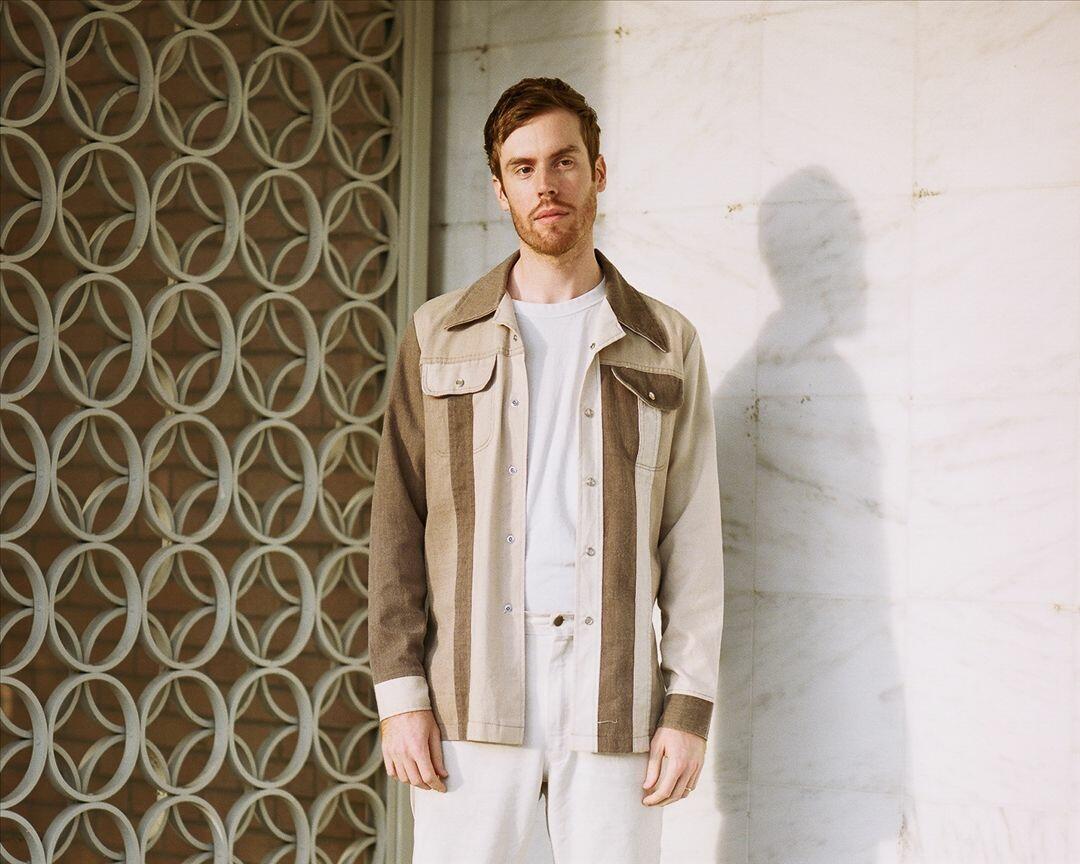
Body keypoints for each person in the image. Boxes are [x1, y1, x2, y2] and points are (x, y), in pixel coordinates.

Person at [368, 76, 725, 863]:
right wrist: (400, 695)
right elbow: (396, 527)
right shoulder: (437, 334)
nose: (545, 185)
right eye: (523, 168)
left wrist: (687, 705)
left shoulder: (666, 342)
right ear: (500, 189)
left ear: (598, 172)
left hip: (612, 689)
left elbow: (693, 537)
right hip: (468, 687)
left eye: (563, 162)